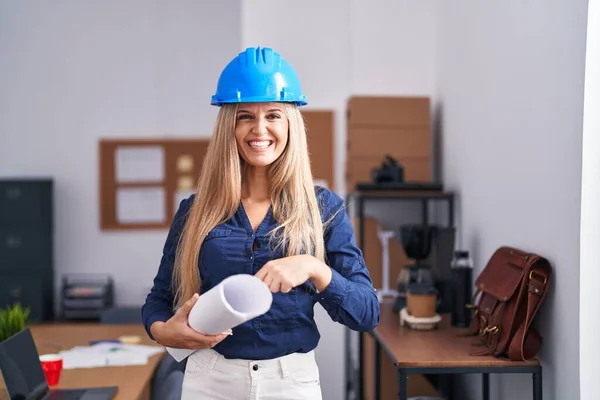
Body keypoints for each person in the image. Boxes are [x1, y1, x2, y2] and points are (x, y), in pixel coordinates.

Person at [141, 46, 380, 400]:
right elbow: (159, 299)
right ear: (229, 127)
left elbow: (367, 312)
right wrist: (163, 331)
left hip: (290, 383)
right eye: (244, 116)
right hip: (209, 381)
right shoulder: (195, 212)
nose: (259, 129)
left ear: (290, 124)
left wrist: (313, 267)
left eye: (273, 115)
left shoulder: (323, 210)